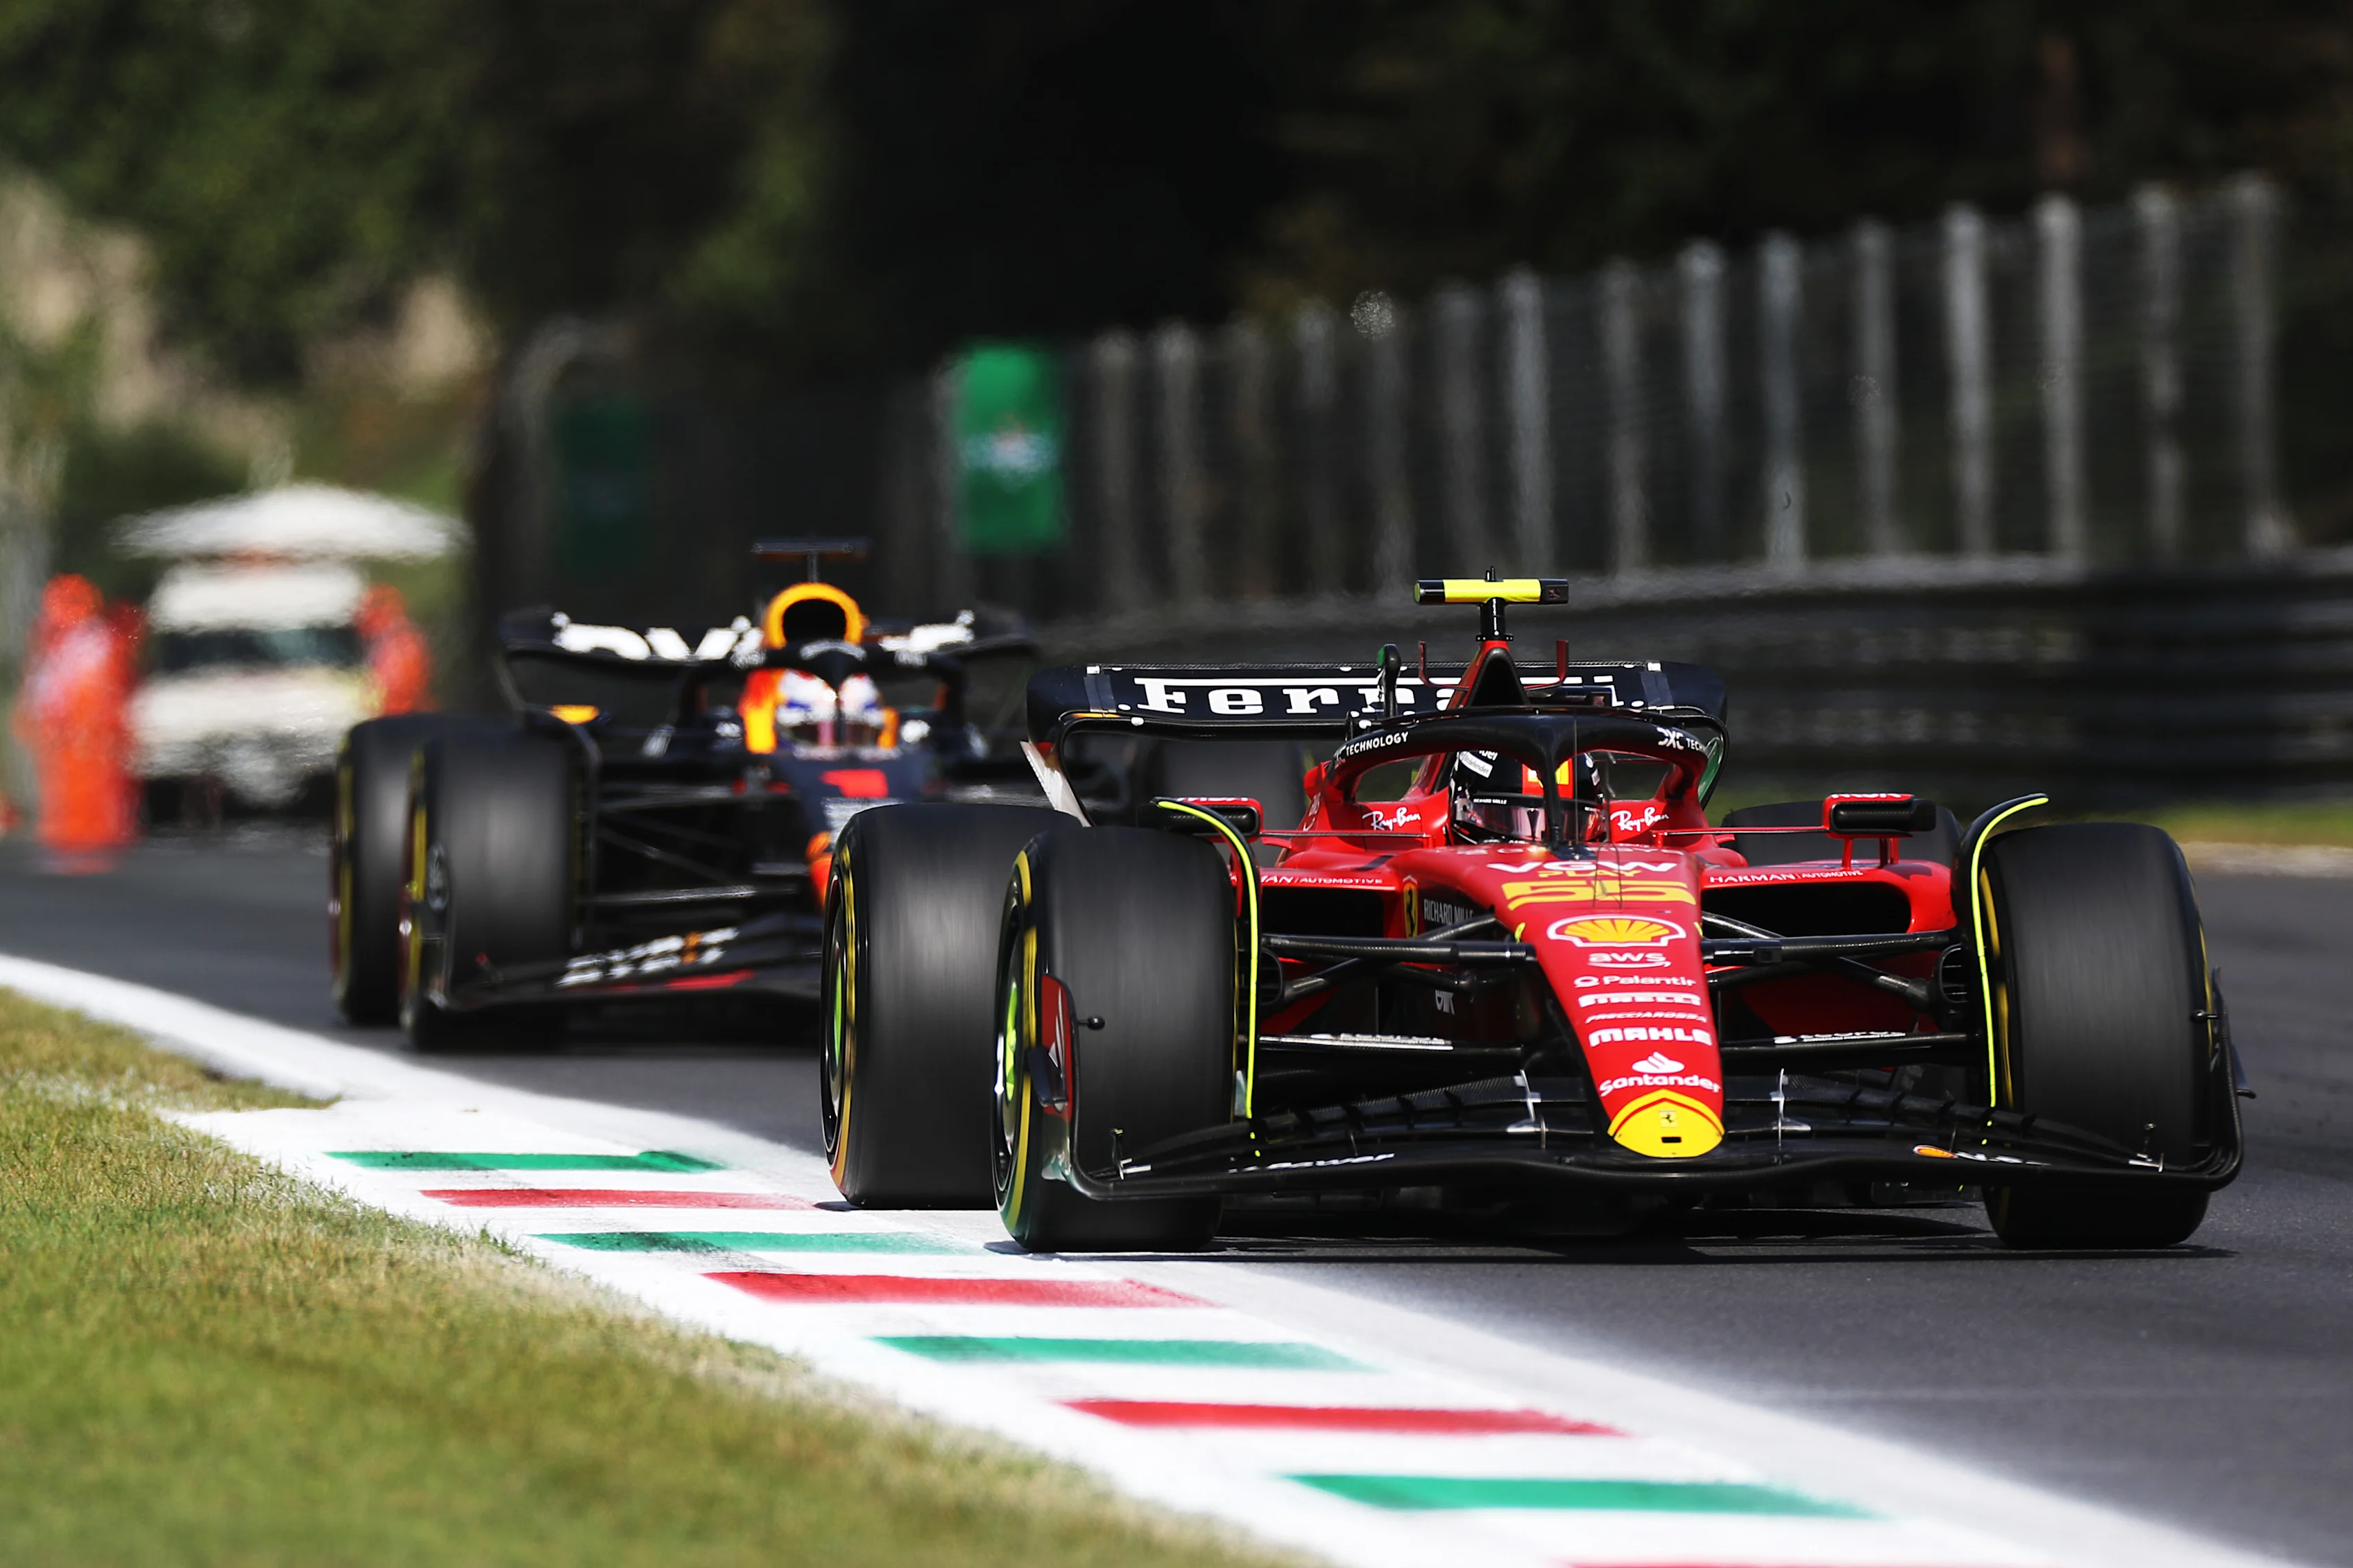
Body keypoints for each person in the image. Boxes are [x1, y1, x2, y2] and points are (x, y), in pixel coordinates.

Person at [15, 574, 136, 853]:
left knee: (90, 792)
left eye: (61, 605)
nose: (55, 613)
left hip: (87, 739)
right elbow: (41, 687)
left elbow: (96, 695)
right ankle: (69, 843)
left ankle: (93, 842)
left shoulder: (94, 641)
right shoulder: (55, 641)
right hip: (62, 738)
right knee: (61, 794)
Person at [356, 583, 431, 714]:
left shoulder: (401, 642)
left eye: (368, 610)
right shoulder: (385, 640)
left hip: (400, 716)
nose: (362, 618)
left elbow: (401, 689)